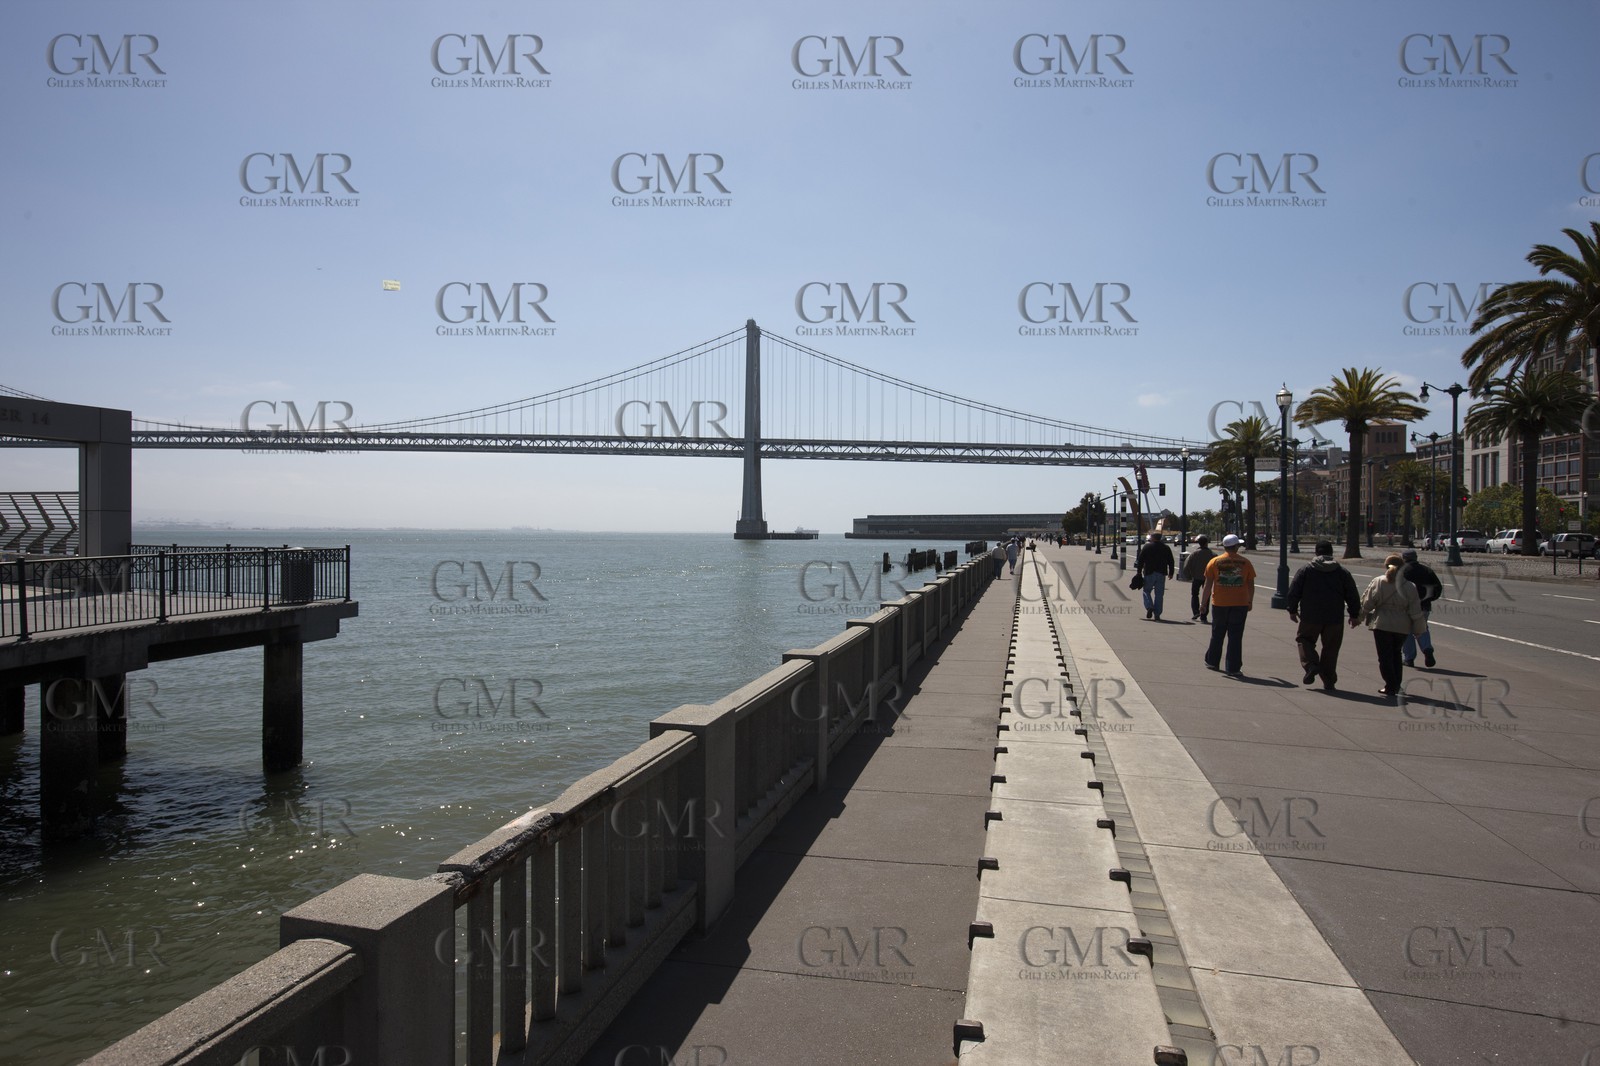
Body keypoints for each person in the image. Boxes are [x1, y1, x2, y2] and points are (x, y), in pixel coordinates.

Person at [1285, 540, 1361, 692]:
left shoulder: (1306, 570)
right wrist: (1354, 615)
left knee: (1304, 640)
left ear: (1316, 552)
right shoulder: (1342, 572)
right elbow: (1352, 595)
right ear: (1331, 553)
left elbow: (1294, 591)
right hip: (1334, 617)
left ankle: (1311, 665)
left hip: (1310, 615)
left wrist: (1292, 610)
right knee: (1331, 648)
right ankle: (1329, 680)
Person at [1359, 552, 1427, 698]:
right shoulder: (1410, 586)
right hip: (1402, 626)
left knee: (1384, 657)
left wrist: (1358, 618)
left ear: (1386, 566)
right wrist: (1419, 630)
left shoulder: (1379, 581)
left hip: (1382, 624)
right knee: (1396, 655)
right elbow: (1416, 611)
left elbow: (1367, 603)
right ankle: (1396, 684)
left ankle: (1390, 685)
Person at [1200, 534, 1256, 675]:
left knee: (1217, 633)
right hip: (1240, 603)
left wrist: (1203, 603)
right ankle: (1233, 667)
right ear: (1236, 547)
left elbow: (1208, 585)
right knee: (1235, 636)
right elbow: (1250, 584)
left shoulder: (1214, 562)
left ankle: (1212, 661)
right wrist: (1250, 600)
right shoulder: (1246, 562)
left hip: (1220, 603)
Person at [1399, 548, 1442, 668]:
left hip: (1406, 606)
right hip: (1424, 606)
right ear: (1416, 558)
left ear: (1404, 559)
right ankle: (1427, 649)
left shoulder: (1402, 571)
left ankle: (1409, 658)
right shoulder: (1427, 570)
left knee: (1406, 631)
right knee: (1422, 628)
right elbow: (1437, 587)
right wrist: (1430, 599)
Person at [1135, 530, 1175, 620]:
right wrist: (1171, 573)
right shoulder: (1166, 547)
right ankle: (1157, 614)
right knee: (1159, 594)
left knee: (1146, 591)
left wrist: (1138, 572)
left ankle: (1149, 606)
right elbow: (1171, 561)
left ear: (1152, 538)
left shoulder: (1147, 547)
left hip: (1149, 572)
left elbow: (1140, 560)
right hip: (1161, 573)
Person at [1180, 534, 1216, 623]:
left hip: (1196, 577)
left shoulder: (1194, 554)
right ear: (1207, 543)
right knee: (1206, 595)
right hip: (1208, 578)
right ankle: (1204, 615)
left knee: (1195, 594)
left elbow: (1186, 566)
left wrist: (1188, 576)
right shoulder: (1212, 554)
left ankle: (1196, 611)